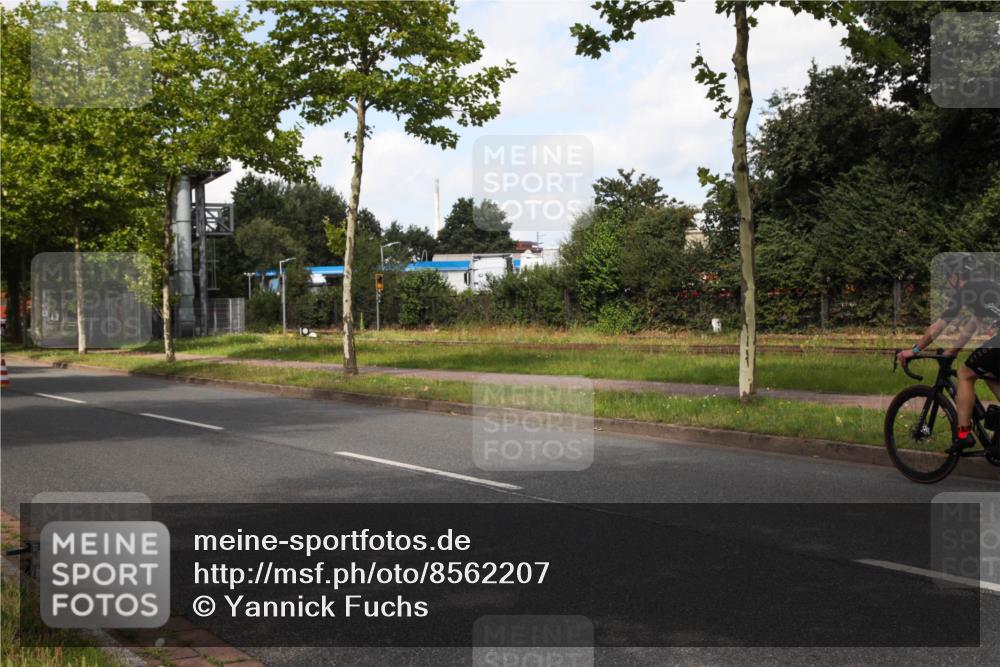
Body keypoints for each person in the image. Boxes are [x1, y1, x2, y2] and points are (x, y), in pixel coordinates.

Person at [896, 253, 1000, 452]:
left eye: (948, 277)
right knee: (988, 373)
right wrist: (953, 351)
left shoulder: (966, 291)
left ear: (955, 276)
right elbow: (972, 325)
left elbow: (938, 327)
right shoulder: (984, 286)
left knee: (964, 373)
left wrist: (915, 350)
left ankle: (963, 435)